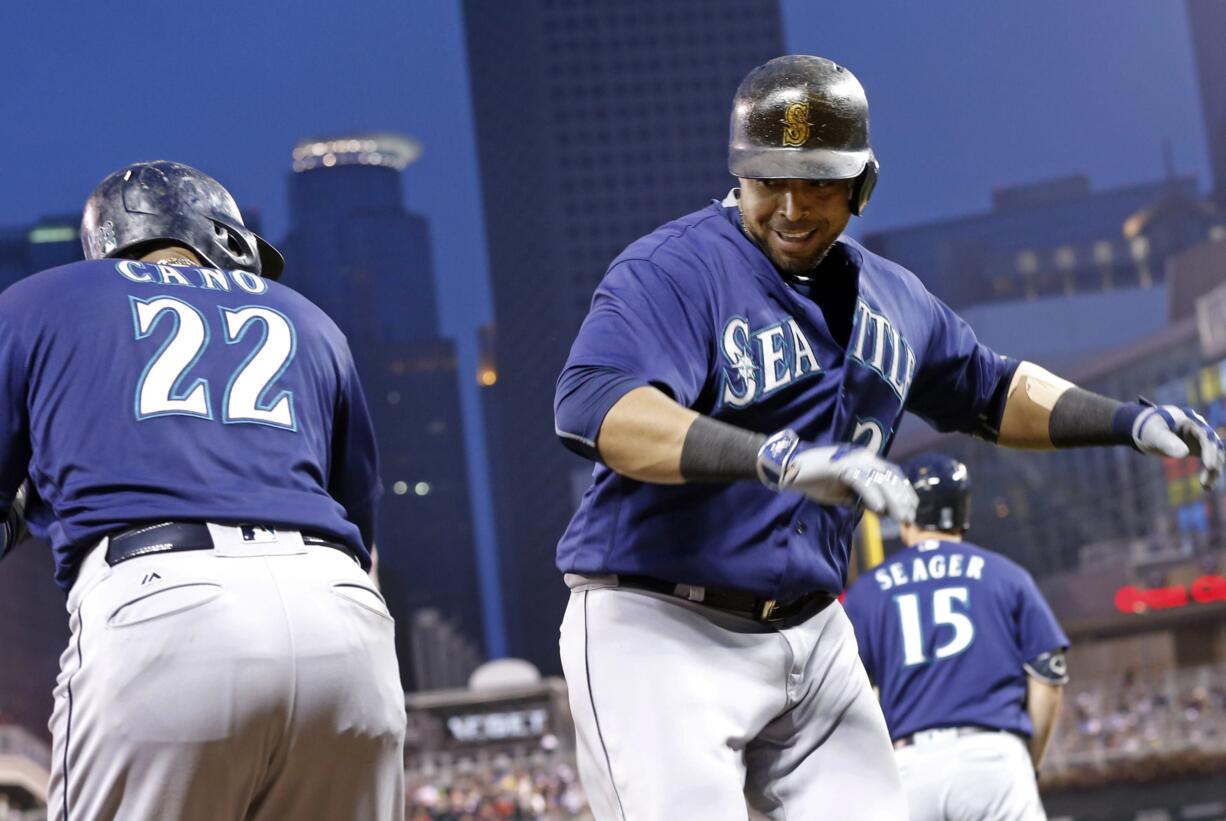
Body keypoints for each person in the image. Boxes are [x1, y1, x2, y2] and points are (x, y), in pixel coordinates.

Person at [551, 54, 1224, 820]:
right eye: (771, 179)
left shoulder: (896, 298)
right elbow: (593, 406)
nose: (794, 206)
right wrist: (775, 457)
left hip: (811, 626)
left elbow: (993, 390)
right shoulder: (673, 270)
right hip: (658, 624)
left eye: (820, 183)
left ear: (863, 184)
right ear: (739, 174)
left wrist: (1128, 420)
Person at [0, 161, 406, 820]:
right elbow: (359, 517)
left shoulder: (42, 298)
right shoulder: (311, 318)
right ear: (222, 236)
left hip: (162, 605)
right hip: (340, 614)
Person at [843, 453, 1067, 820]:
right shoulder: (1007, 576)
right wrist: (1030, 763)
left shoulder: (867, 592)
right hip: (992, 757)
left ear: (905, 511)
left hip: (909, 767)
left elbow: (854, 697)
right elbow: (1049, 678)